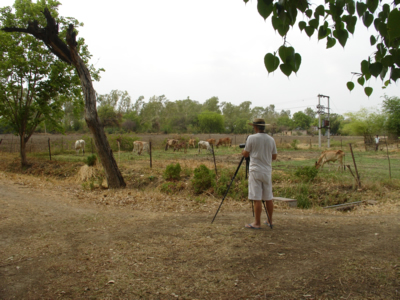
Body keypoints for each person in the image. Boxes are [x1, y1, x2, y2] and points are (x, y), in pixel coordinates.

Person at [242, 118, 277, 229]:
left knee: (257, 197)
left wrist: (246, 152)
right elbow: (274, 156)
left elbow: (246, 154)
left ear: (255, 127)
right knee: (268, 197)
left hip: (255, 170)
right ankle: (270, 220)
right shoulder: (271, 139)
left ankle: (257, 223)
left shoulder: (251, 138)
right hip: (267, 171)